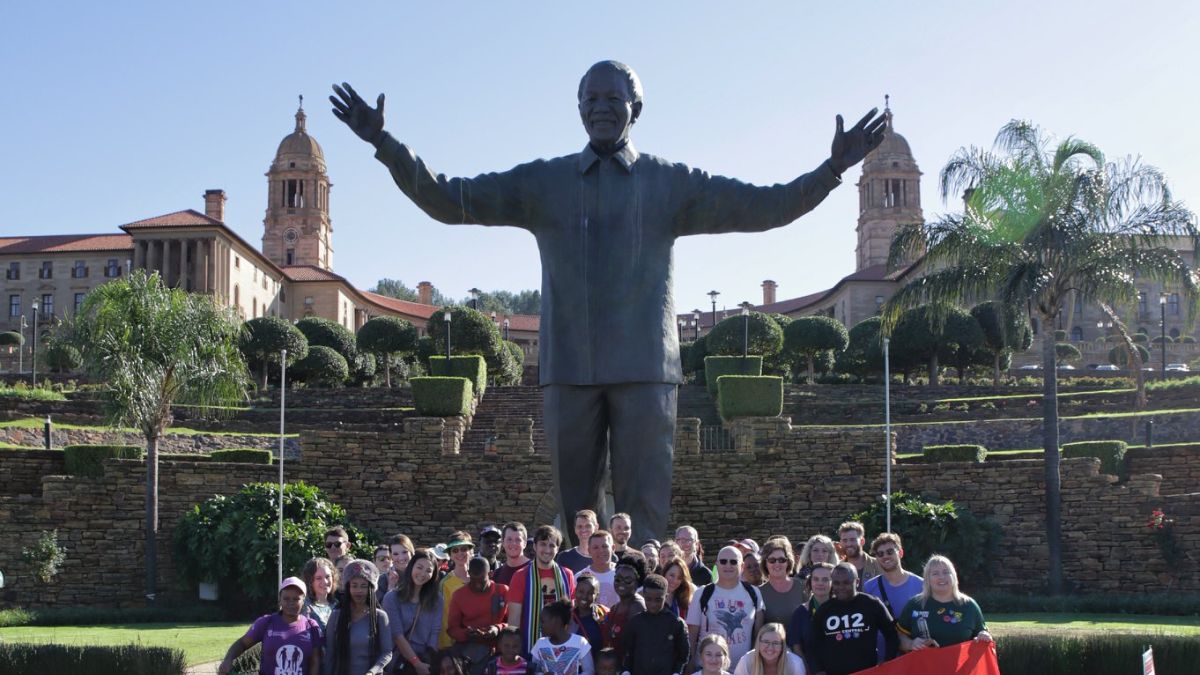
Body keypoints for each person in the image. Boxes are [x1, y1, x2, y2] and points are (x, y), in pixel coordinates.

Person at [331, 64, 884, 545]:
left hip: (646, 369)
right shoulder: (543, 182)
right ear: (578, 109)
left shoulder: (670, 183)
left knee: (646, 520)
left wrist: (830, 170)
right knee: (575, 519)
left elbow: (767, 206)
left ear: (635, 109)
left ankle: (649, 614)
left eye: (613, 98)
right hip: (570, 368)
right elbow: (447, 198)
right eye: (590, 98)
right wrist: (385, 143)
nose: (600, 108)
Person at [218, 576, 322, 675]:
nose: (291, 602)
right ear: (280, 599)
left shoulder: (311, 626)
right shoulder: (266, 622)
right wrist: (228, 660)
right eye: (286, 598)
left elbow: (315, 661)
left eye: (296, 599)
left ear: (303, 600)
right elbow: (242, 643)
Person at [807, 564, 897, 675]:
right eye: (836, 583)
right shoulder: (824, 610)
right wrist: (818, 670)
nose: (841, 587)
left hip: (868, 672)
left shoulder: (872, 604)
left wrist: (887, 662)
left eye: (846, 582)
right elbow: (812, 644)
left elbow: (892, 635)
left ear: (857, 582)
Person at [687, 546, 765, 669]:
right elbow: (691, 635)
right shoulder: (702, 593)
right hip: (707, 669)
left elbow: (758, 635)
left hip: (742, 669)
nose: (728, 565)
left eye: (733, 562)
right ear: (717, 564)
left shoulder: (754, 593)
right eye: (723, 561)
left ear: (742, 566)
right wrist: (689, 666)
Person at [896, 555, 992, 652]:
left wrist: (984, 636)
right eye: (935, 573)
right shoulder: (914, 604)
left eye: (946, 572)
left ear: (954, 576)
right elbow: (899, 636)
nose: (941, 577)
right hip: (924, 662)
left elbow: (982, 634)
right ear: (927, 579)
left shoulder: (969, 606)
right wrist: (911, 644)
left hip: (959, 662)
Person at [507, 525, 577, 655]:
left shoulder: (567, 575)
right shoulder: (520, 576)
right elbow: (514, 619)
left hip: (561, 648)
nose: (547, 550)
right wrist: (515, 653)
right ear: (534, 546)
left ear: (557, 549)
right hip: (529, 646)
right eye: (543, 544)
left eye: (552, 545)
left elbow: (571, 614)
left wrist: (569, 647)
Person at [325, 560, 392, 675]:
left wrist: (372, 672)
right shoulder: (336, 616)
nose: (359, 591)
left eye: (364, 586)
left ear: (371, 588)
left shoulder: (380, 617)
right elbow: (330, 655)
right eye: (354, 586)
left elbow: (387, 653)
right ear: (348, 588)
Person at [384, 548, 444, 675]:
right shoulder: (392, 598)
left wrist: (428, 661)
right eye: (419, 567)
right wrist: (416, 663)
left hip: (425, 659)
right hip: (399, 660)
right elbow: (397, 635)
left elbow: (435, 633)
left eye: (428, 571)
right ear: (411, 566)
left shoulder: (437, 600)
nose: (423, 573)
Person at [448, 556, 510, 674]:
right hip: (469, 653)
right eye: (473, 580)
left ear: (490, 574)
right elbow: (452, 629)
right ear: (469, 574)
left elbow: (513, 623)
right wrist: (467, 634)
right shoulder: (459, 595)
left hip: (498, 652)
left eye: (481, 581)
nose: (477, 585)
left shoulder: (503, 591)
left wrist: (497, 628)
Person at [621, 574, 689, 675]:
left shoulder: (676, 623)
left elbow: (683, 655)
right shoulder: (635, 622)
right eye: (648, 599)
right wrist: (626, 671)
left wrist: (677, 672)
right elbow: (627, 651)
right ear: (643, 596)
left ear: (666, 596)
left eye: (658, 600)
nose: (653, 604)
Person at [861, 533, 922, 622]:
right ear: (876, 558)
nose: (885, 556)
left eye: (890, 552)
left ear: (900, 553)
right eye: (880, 554)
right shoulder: (869, 587)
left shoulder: (921, 585)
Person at [600, 552, 646, 659]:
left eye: (628, 580)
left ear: (637, 582)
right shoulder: (615, 607)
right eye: (618, 579)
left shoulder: (637, 607)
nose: (622, 583)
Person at [531, 600, 595, 675]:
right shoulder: (540, 644)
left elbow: (589, 671)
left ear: (556, 620)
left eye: (542, 621)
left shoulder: (580, 642)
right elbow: (533, 671)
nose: (540, 626)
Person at [787, 563, 832, 669]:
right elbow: (796, 647)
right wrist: (809, 670)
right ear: (810, 582)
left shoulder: (841, 609)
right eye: (816, 579)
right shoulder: (800, 612)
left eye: (825, 579)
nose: (820, 583)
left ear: (833, 582)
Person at [440, 532, 477, 648]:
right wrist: (446, 647)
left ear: (471, 552)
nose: (460, 553)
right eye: (455, 550)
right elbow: (444, 617)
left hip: (479, 640)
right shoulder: (445, 583)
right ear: (450, 555)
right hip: (455, 643)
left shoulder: (480, 578)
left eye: (464, 549)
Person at [758, 539, 805, 628]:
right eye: (772, 560)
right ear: (765, 563)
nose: (777, 563)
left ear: (788, 562)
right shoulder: (758, 592)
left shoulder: (802, 586)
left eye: (782, 560)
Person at [731, 623, 806, 675]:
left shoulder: (795, 663)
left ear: (782, 646)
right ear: (758, 643)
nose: (770, 648)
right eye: (766, 642)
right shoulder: (746, 660)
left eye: (776, 643)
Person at [569, 573, 609, 649]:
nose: (584, 596)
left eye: (590, 593)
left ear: (597, 596)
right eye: (581, 591)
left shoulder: (604, 614)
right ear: (575, 591)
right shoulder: (566, 617)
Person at [301, 556, 338, 631]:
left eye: (327, 577)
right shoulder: (304, 606)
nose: (325, 582)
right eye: (318, 578)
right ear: (310, 581)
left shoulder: (337, 605)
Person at [585, 531, 619, 607]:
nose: (600, 551)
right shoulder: (580, 577)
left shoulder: (623, 574)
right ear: (589, 551)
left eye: (604, 546)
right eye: (595, 547)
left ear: (613, 548)